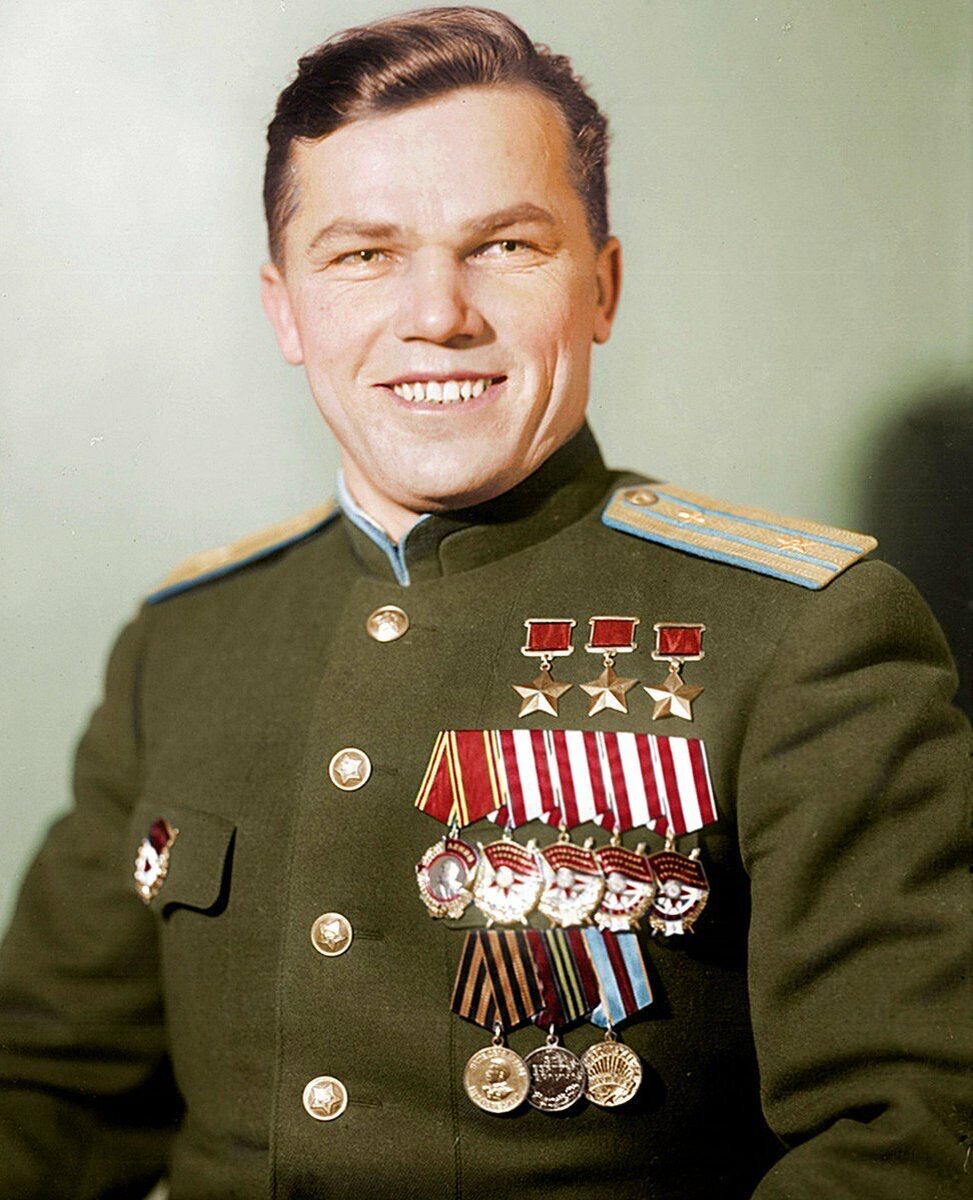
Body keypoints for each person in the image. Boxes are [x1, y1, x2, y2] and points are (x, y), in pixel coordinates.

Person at [0, 7, 969, 1198]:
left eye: (505, 245)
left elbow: (905, 1140)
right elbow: (47, 1093)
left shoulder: (803, 637)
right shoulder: (187, 642)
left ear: (602, 287)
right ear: (285, 309)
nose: (438, 314)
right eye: (364, 256)